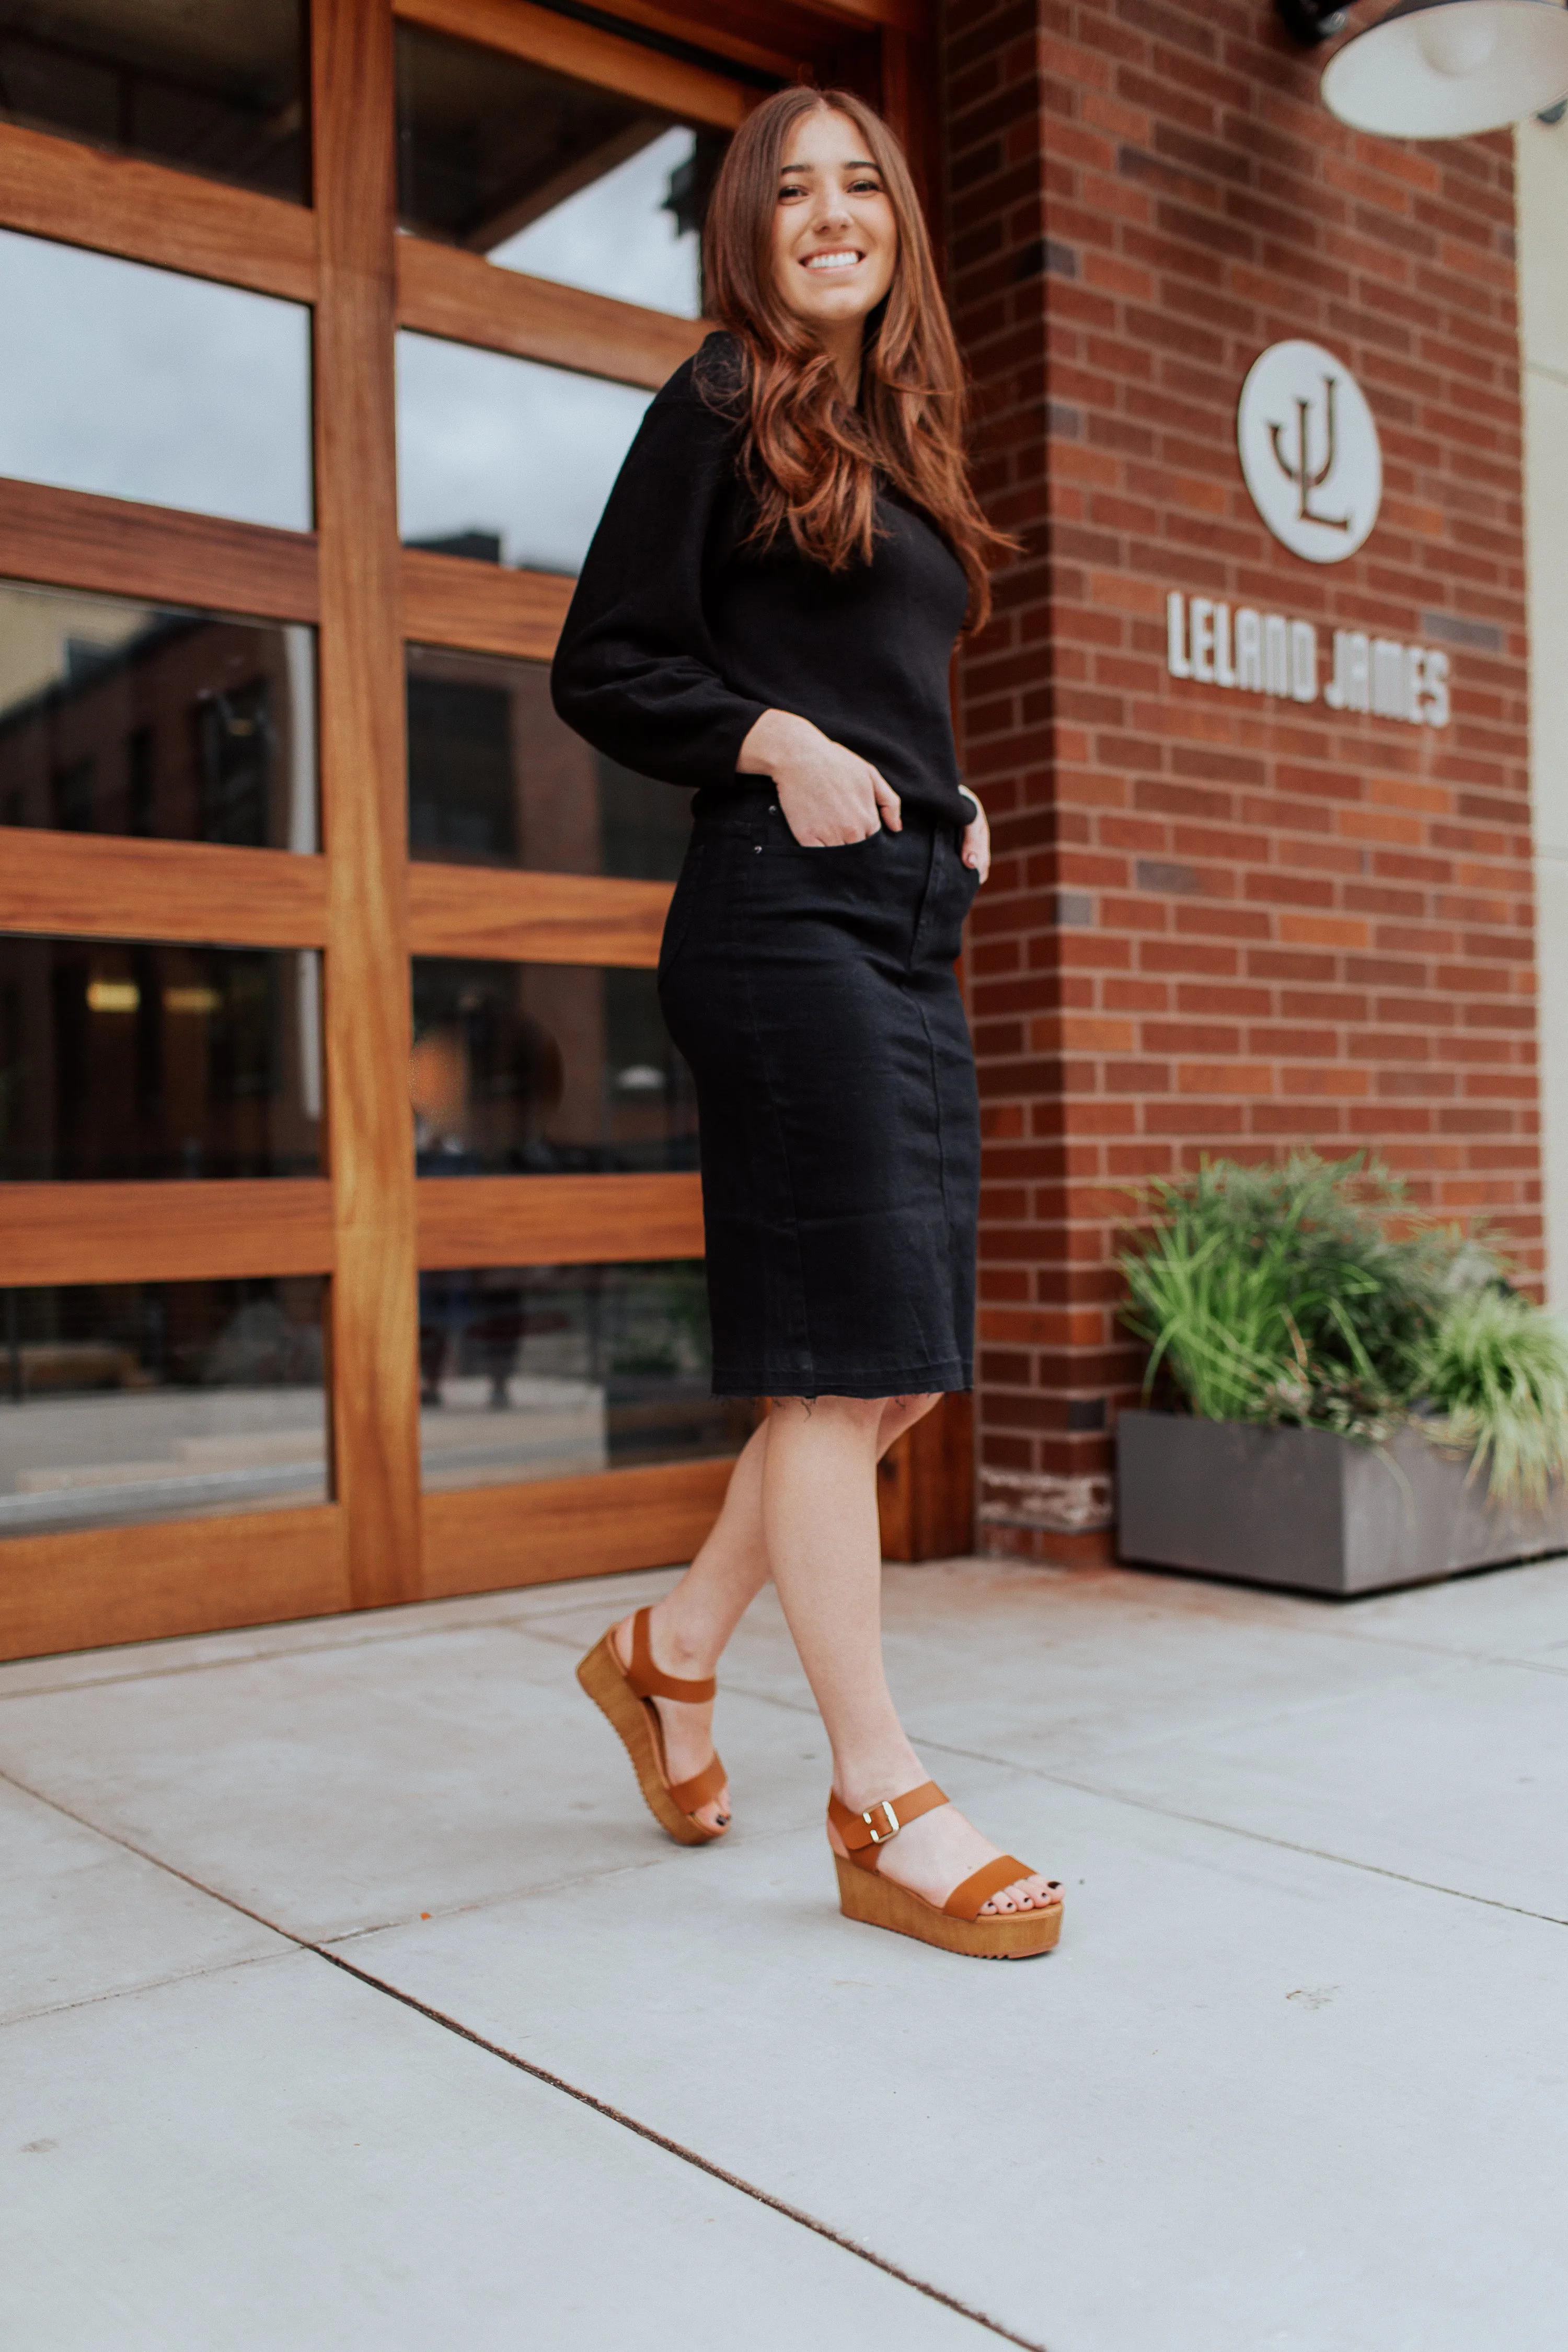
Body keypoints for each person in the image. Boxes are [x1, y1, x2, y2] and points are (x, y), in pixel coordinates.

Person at [552, 85, 1063, 1959]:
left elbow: (866, 672)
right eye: (798, 190)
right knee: (837, 1364)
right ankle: (879, 1791)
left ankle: (670, 1652)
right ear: (751, 228)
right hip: (778, 919)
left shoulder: (899, 431)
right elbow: (606, 658)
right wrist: (769, 739)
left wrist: (952, 792)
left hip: (909, 914)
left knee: (899, 1363)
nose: (835, 213)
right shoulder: (718, 404)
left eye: (867, 185)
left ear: (896, 227)